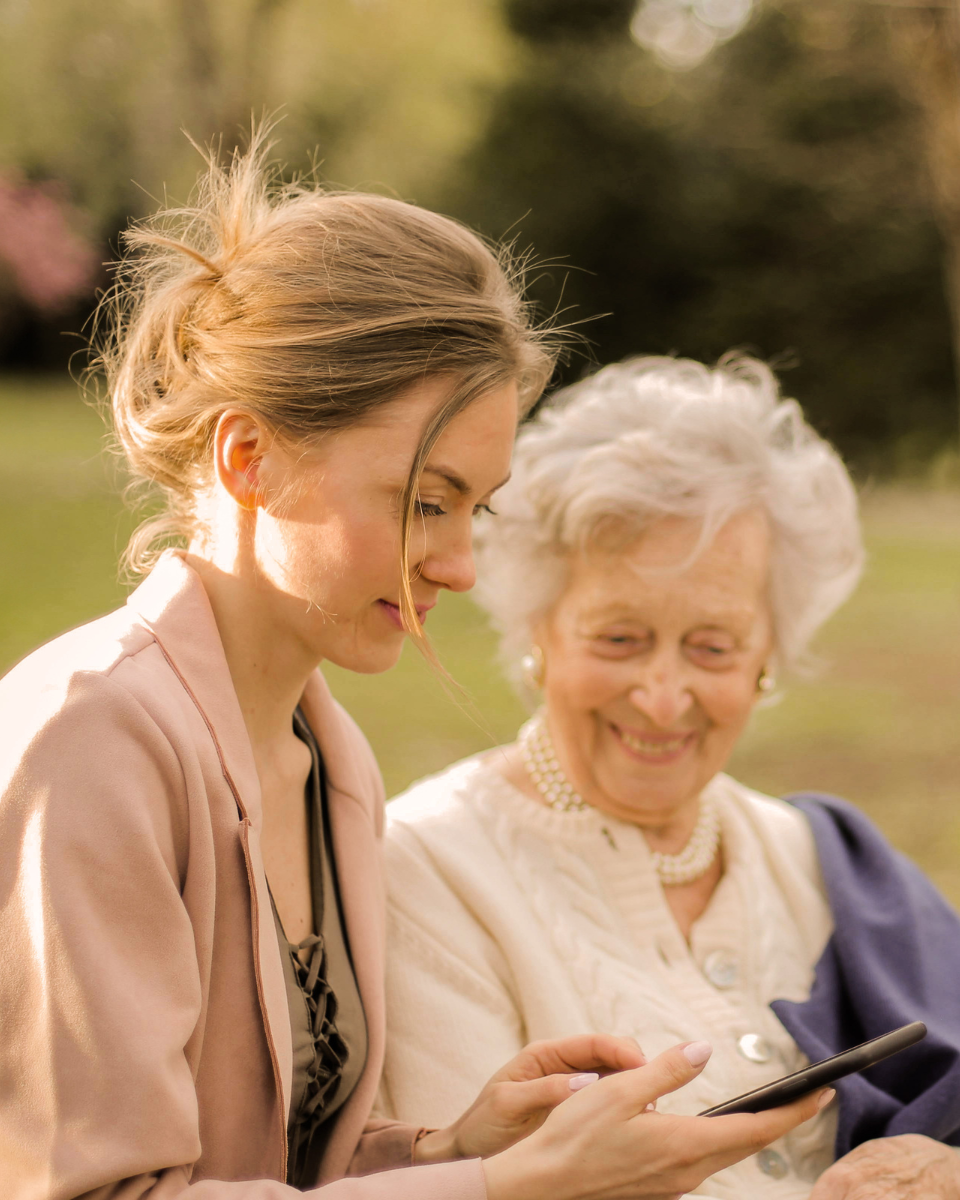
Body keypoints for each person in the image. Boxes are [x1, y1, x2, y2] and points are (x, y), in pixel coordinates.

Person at [0, 139, 826, 1200]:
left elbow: (283, 1168)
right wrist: (508, 1193)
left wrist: (459, 1148)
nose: (462, 564)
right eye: (423, 500)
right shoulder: (90, 742)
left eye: (476, 507)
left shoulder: (327, 756)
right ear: (248, 459)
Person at [379, 356, 960, 1199]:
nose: (661, 698)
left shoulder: (827, 858)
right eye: (618, 638)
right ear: (538, 632)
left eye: (713, 647)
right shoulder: (425, 870)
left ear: (768, 657)